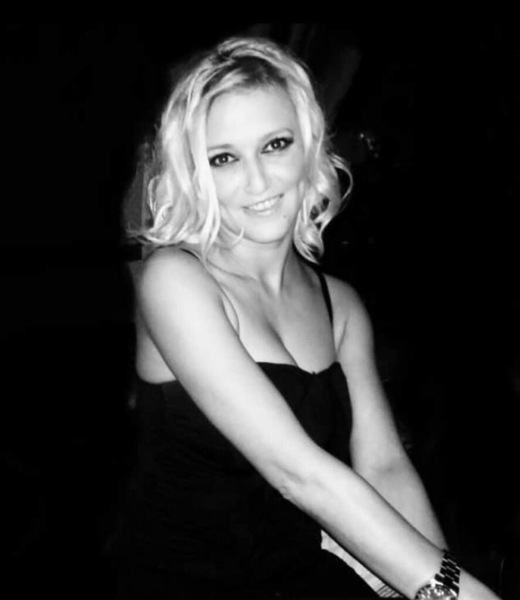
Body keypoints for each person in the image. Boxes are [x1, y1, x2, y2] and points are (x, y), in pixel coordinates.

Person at [109, 36, 501, 599]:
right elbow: (298, 472)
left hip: (296, 576)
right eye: (224, 158)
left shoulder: (341, 304)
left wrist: (436, 580)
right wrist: (448, 591)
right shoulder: (175, 280)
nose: (258, 181)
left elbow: (384, 466)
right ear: (195, 173)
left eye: (275, 145)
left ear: (309, 146)